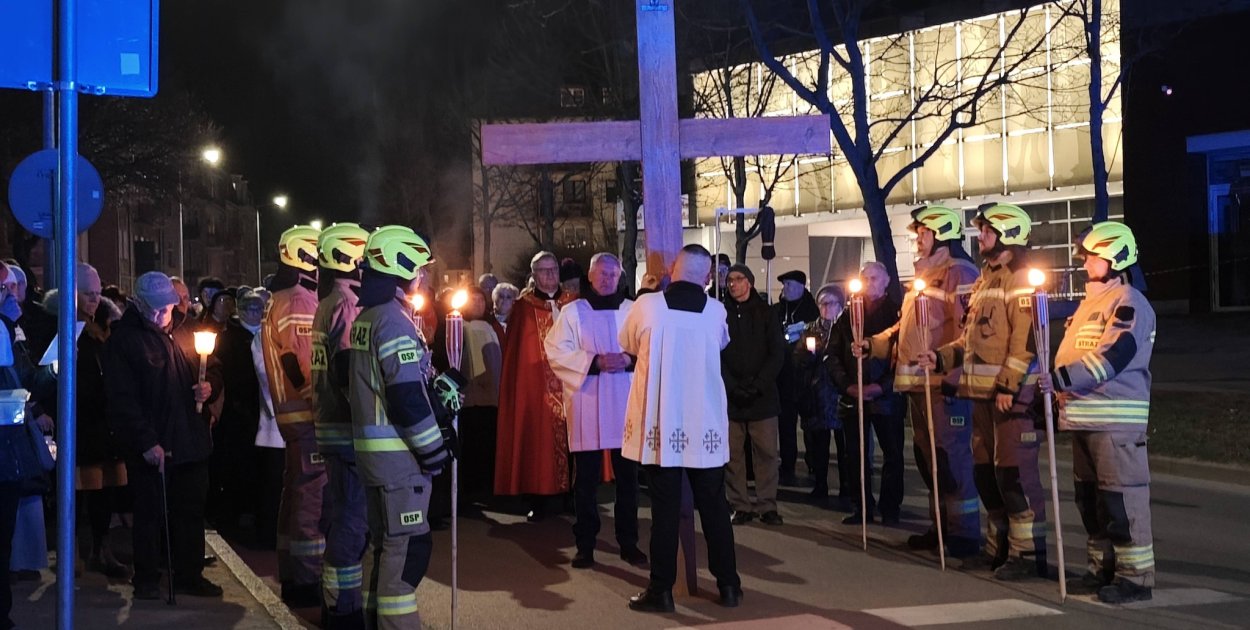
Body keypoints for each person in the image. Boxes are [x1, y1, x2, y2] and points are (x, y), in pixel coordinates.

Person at [920, 202, 1046, 581]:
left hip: (1009, 398)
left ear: (1008, 234)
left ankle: (1027, 555)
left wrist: (1010, 385)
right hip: (981, 396)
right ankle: (998, 548)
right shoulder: (986, 280)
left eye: (988, 231)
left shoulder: (1019, 279)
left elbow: (1026, 341)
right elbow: (971, 339)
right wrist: (941, 358)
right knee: (986, 476)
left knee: (1014, 477)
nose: (981, 237)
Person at [619, 244, 741, 613]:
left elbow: (627, 343)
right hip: (704, 422)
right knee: (714, 507)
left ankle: (661, 590)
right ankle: (729, 585)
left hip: (664, 419)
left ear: (673, 267)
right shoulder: (716, 310)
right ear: (707, 276)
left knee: (665, 509)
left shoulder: (647, 305)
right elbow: (722, 344)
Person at [1042, 221, 1156, 603]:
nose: (1085, 262)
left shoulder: (1129, 302)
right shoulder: (1090, 303)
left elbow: (1113, 357)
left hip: (1114, 423)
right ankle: (1101, 569)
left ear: (1115, 258)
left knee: (1121, 502)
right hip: (1083, 417)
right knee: (1090, 502)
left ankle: (1135, 579)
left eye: (1093, 256)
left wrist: (1060, 379)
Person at [347, 226, 451, 630]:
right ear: (400, 266)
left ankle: (373, 622)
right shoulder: (393, 321)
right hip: (399, 463)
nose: (422, 277)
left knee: (382, 548)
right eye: (419, 269)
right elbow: (406, 398)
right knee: (405, 554)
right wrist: (434, 449)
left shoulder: (369, 317)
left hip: (376, 461)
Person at [864, 206, 981, 557]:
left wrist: (954, 377)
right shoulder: (925, 274)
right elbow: (907, 328)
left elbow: (967, 332)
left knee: (951, 459)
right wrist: (874, 344)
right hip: (919, 385)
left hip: (942, 384)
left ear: (942, 235)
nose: (918, 239)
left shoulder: (959, 272)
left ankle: (963, 533)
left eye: (924, 233)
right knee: (930, 460)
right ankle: (940, 527)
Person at [104, 271, 221, 600]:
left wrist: (209, 387)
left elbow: (213, 368)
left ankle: (189, 574)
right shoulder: (125, 341)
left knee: (190, 511)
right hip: (154, 443)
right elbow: (123, 400)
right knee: (149, 513)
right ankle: (147, 579)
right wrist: (145, 441)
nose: (161, 315)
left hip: (190, 439)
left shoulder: (186, 329)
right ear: (138, 304)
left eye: (166, 308)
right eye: (154, 309)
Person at [545, 253, 646, 569]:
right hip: (586, 400)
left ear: (620, 277)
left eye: (612, 274)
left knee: (627, 479)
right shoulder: (573, 311)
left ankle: (628, 542)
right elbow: (555, 350)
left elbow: (649, 346)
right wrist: (594, 362)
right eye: (601, 273)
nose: (607, 279)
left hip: (624, 400)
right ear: (590, 276)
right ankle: (585, 544)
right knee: (586, 481)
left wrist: (628, 359)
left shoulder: (632, 310)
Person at [261, 224, 327, 606]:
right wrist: (324, 407)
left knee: (295, 496)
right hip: (307, 417)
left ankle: (292, 571)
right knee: (310, 501)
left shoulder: (281, 297)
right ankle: (305, 580)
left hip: (292, 418)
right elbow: (303, 363)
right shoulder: (300, 300)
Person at [310, 222, 371, 628]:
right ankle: (343, 610)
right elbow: (350, 371)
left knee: (340, 517)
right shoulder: (347, 305)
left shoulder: (328, 301)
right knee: (352, 524)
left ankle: (335, 603)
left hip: (330, 427)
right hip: (347, 431)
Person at [494, 252, 577, 520]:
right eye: (544, 270)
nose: (550, 275)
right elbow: (517, 355)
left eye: (554, 269)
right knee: (537, 441)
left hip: (571, 385)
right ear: (534, 274)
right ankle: (539, 498)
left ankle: (573, 496)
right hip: (538, 387)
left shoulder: (573, 303)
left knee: (574, 439)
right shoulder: (523, 308)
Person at [828, 262, 904, 525]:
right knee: (856, 454)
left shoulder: (897, 313)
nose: (869, 283)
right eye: (865, 278)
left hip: (886, 397)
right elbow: (833, 354)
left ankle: (890, 507)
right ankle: (862, 506)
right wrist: (847, 386)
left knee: (892, 453)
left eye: (874, 278)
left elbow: (902, 355)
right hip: (853, 395)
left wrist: (882, 386)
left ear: (886, 281)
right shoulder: (848, 315)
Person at [74, 264, 131, 579]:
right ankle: (73, 551)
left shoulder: (106, 330)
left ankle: (102, 548)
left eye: (97, 293)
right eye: (88, 294)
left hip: (106, 423)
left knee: (104, 491)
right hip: (83, 422)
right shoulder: (68, 330)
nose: (94, 299)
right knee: (79, 489)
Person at [721, 264, 785, 526]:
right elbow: (716, 353)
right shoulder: (721, 314)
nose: (733, 284)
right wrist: (731, 385)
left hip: (762, 396)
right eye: (729, 280)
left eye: (738, 279)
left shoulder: (766, 313)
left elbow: (777, 353)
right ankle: (740, 504)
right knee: (733, 455)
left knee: (766, 453)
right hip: (732, 396)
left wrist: (759, 385)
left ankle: (767, 505)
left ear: (749, 282)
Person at [213, 288, 265, 540]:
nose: (255, 313)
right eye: (249, 309)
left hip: (262, 408)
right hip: (239, 409)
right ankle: (237, 511)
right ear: (241, 311)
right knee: (239, 462)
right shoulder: (229, 338)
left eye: (258, 309)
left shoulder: (266, 335)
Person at [793, 284, 844, 506]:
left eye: (830, 303)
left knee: (844, 447)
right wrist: (809, 355)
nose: (826, 308)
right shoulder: (811, 330)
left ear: (840, 305)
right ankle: (820, 484)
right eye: (822, 303)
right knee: (819, 445)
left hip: (839, 394)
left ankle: (847, 486)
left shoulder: (846, 328)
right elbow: (797, 360)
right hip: (817, 395)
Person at [774, 270, 820, 487]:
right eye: (785, 285)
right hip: (784, 377)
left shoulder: (812, 310)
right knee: (786, 425)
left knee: (810, 425)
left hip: (806, 377)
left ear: (802, 287)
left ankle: (814, 462)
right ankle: (787, 464)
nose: (786, 289)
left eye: (790, 285)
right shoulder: (777, 310)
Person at [458, 287, 502, 503]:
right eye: (473, 300)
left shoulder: (490, 326)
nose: (478, 304)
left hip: (491, 396)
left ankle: (487, 486)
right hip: (471, 397)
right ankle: (471, 488)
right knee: (472, 443)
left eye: (481, 300)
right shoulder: (460, 326)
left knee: (488, 443)